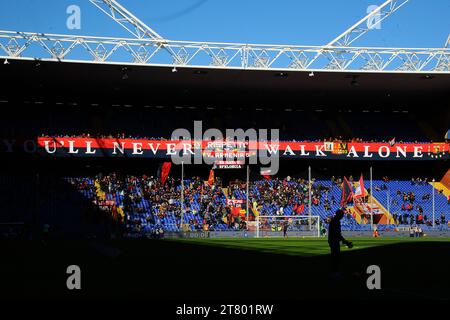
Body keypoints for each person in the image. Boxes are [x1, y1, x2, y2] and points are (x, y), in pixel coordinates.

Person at [328, 209, 353, 273]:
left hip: (332, 240)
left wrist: (344, 241)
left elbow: (337, 234)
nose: (342, 216)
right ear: (339, 215)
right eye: (342, 215)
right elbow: (337, 233)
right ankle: (335, 272)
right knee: (336, 257)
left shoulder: (334, 220)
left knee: (335, 256)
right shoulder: (336, 221)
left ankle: (334, 271)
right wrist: (345, 242)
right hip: (334, 240)